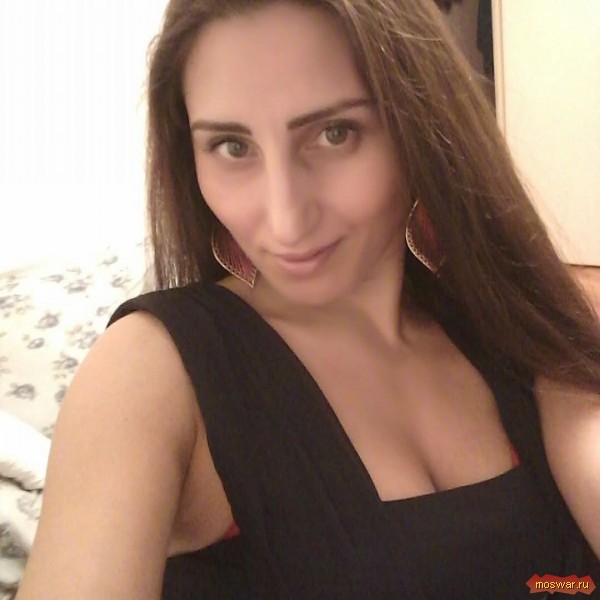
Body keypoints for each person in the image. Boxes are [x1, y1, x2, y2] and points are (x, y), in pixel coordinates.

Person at [17, 0, 600, 598]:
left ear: (422, 127)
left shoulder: (512, 329)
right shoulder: (150, 371)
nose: (286, 219)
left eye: (334, 133)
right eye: (232, 146)